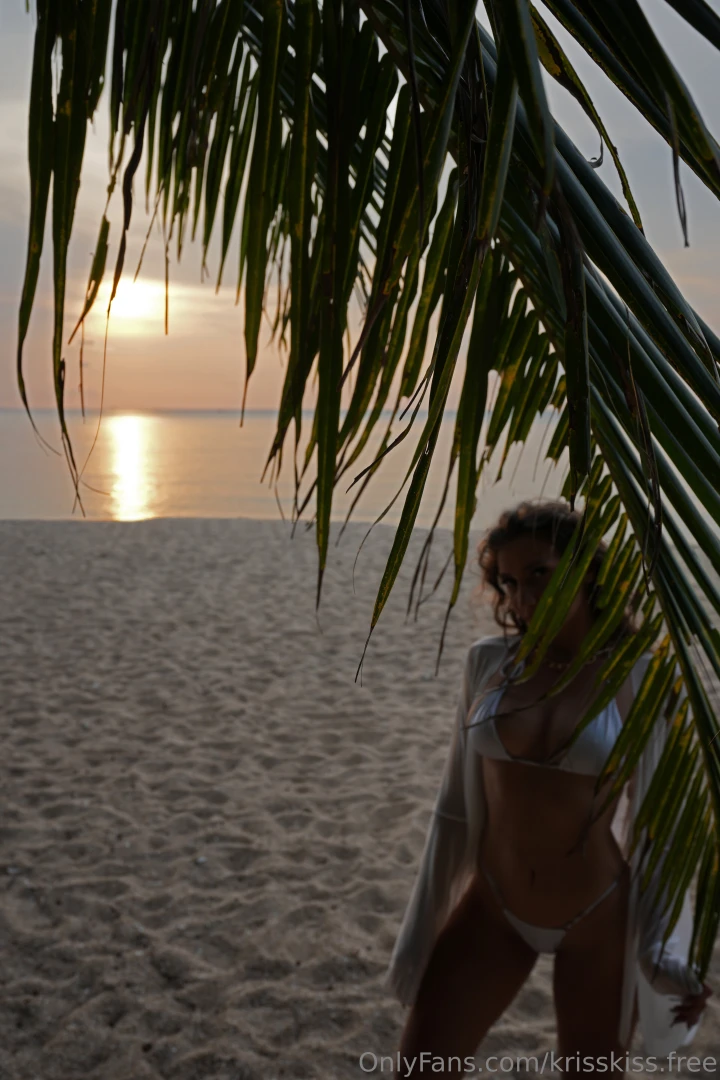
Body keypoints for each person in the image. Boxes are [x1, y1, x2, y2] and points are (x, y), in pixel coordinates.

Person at [386, 501, 712, 1077]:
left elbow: (659, 821)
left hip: (596, 919)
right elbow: (455, 809)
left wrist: (664, 954)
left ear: (588, 571)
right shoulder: (488, 665)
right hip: (493, 906)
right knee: (420, 1068)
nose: (522, 597)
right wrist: (425, 924)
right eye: (509, 582)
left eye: (539, 573)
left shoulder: (639, 671)